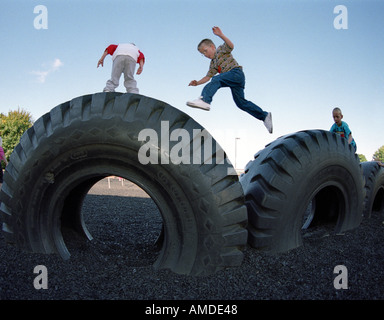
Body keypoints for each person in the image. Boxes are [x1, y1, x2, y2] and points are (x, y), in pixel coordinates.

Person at [187, 26, 273, 134]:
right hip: (234, 82)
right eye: (202, 54)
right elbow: (207, 77)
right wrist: (197, 83)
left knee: (216, 79)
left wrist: (220, 35)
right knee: (240, 103)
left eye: (205, 51)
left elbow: (231, 46)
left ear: (212, 46)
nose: (205, 55)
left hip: (236, 73)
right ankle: (264, 116)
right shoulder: (213, 63)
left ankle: (205, 100)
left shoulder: (220, 50)